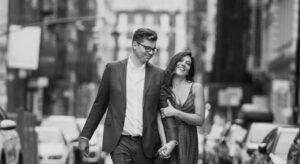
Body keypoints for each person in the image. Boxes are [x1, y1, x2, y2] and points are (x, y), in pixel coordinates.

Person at [78, 28, 177, 164]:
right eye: (147, 48)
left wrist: (172, 140)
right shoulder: (112, 70)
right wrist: (85, 136)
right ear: (134, 45)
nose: (151, 52)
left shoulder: (159, 75)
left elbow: (165, 110)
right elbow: (99, 105)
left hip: (148, 144)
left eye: (154, 49)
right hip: (120, 141)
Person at [155, 51, 206, 164]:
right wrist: (165, 144)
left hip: (188, 139)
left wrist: (175, 112)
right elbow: (158, 118)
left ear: (190, 69)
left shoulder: (196, 88)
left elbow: (200, 119)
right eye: (181, 60)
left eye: (188, 63)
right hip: (167, 138)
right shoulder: (163, 87)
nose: (183, 64)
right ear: (174, 62)